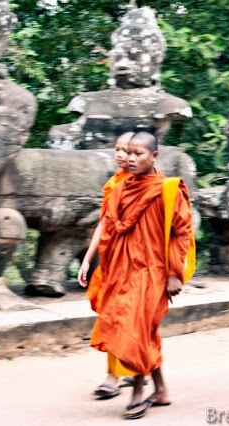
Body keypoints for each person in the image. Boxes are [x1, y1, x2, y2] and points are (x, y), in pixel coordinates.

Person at [83, 131, 194, 419]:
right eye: (127, 153)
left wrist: (174, 274)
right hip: (123, 270)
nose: (130, 159)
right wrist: (95, 262)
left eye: (138, 154)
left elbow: (181, 234)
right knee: (141, 329)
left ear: (154, 156)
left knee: (135, 329)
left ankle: (137, 392)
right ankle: (161, 390)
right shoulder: (120, 188)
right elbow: (109, 227)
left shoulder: (169, 189)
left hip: (153, 271)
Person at [78, 131, 138, 399]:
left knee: (125, 315)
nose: (120, 154)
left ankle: (118, 375)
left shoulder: (144, 184)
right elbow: (104, 222)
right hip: (111, 260)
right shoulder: (113, 183)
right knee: (111, 314)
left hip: (136, 261)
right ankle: (123, 372)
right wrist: (88, 258)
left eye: (127, 150)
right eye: (118, 149)